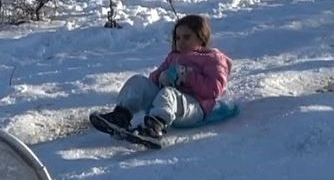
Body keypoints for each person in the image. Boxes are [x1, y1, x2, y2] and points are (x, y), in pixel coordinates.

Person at [88, 14, 231, 150]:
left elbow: (214, 90)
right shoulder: (174, 57)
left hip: (195, 106)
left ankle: (154, 128)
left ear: (201, 38)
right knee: (138, 81)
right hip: (169, 103)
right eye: (177, 38)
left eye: (187, 37)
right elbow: (153, 78)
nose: (181, 42)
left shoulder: (213, 58)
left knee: (168, 93)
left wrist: (187, 77)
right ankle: (121, 116)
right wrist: (162, 76)